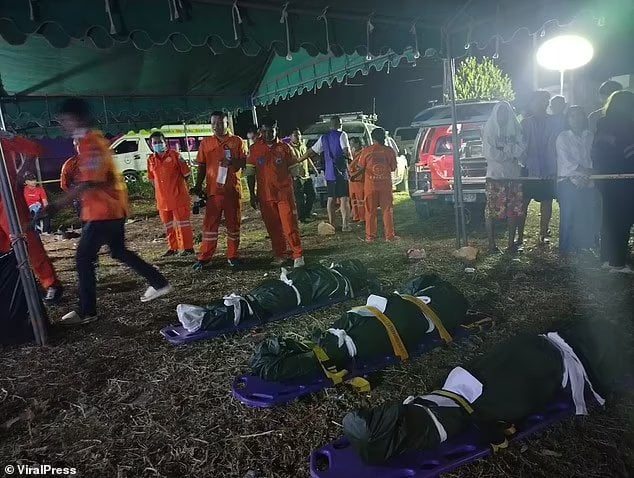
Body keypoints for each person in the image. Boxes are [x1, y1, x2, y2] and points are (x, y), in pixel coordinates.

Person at [42, 98, 171, 325]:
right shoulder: (88, 141)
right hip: (108, 210)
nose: (63, 124)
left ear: (78, 117)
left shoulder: (91, 143)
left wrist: (57, 205)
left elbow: (89, 182)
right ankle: (159, 282)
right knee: (118, 251)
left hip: (102, 212)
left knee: (83, 258)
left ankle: (87, 311)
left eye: (66, 119)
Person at [0, 131, 62, 303]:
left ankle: (51, 283)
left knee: (28, 243)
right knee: (4, 251)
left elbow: (35, 149)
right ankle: (17, 287)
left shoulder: (3, 139)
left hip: (8, 200)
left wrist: (21, 173)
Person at [191, 111, 247, 270]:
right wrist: (198, 186)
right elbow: (201, 166)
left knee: (233, 225)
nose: (216, 126)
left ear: (227, 123)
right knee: (210, 226)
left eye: (220, 123)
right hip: (213, 192)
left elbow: (244, 161)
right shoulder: (206, 143)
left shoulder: (237, 141)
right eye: (213, 123)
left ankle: (233, 256)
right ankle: (204, 257)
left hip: (232, 191)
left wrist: (232, 161)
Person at [246, 117, 305, 267]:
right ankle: (280, 254)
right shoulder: (254, 149)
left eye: (271, 131)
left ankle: (298, 255)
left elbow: (294, 171)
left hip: (284, 194)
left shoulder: (285, 148)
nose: (268, 134)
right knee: (273, 227)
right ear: (260, 131)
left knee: (290, 225)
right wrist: (252, 194)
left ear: (276, 130)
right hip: (265, 196)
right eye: (264, 131)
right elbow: (250, 174)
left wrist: (298, 187)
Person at [591, 90, 634, 273]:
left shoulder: (603, 123)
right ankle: (617, 263)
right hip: (625, 178)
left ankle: (607, 259)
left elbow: (596, 151)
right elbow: (629, 150)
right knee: (622, 220)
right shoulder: (627, 124)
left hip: (605, 178)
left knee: (609, 219)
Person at [483, 101, 526, 253]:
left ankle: (510, 244)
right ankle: (491, 244)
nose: (503, 115)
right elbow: (490, 153)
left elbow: (521, 149)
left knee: (513, 211)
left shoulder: (516, 129)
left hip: (513, 177)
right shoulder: (489, 130)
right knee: (491, 211)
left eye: (505, 112)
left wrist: (504, 150)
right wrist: (509, 153)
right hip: (495, 177)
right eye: (500, 112)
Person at [556, 106, 598, 257]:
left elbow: (594, 158)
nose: (576, 119)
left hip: (588, 181)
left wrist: (587, 176)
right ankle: (566, 248)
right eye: (572, 116)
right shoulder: (563, 137)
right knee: (568, 215)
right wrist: (584, 172)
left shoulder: (590, 136)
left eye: (579, 115)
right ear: (567, 119)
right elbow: (566, 161)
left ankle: (585, 246)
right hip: (568, 181)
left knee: (586, 214)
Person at [300, 116, 352, 231]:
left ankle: (332, 224)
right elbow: (346, 151)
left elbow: (311, 152)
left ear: (330, 125)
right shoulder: (342, 134)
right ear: (339, 124)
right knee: (344, 198)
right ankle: (345, 225)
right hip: (341, 171)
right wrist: (351, 160)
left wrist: (298, 160)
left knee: (331, 198)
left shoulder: (324, 138)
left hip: (329, 173)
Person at [518, 90, 556, 246]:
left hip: (549, 166)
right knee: (523, 202)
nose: (541, 104)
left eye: (544, 101)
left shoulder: (553, 121)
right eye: (537, 101)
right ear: (532, 104)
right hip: (529, 167)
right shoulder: (525, 123)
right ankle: (519, 236)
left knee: (547, 201)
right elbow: (520, 145)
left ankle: (543, 233)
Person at [147, 131, 194, 257]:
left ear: (165, 143)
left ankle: (188, 248)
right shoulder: (151, 160)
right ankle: (173, 248)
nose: (158, 144)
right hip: (163, 200)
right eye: (155, 143)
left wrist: (178, 186)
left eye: (160, 142)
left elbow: (187, 174)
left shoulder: (175, 156)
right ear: (151, 145)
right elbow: (152, 178)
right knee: (168, 225)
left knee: (182, 224)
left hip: (178, 197)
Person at [357, 128, 398, 242]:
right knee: (387, 210)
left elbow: (360, 167)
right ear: (384, 137)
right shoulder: (389, 151)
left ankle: (370, 237)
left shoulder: (366, 151)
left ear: (372, 137)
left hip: (370, 186)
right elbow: (393, 167)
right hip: (385, 185)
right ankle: (389, 236)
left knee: (370, 211)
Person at [288, 128, 316, 223]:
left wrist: (313, 168)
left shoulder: (303, 145)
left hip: (306, 175)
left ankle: (307, 213)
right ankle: (302, 218)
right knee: (300, 199)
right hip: (297, 176)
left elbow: (307, 157)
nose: (298, 137)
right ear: (290, 137)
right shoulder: (288, 148)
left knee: (312, 195)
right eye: (296, 135)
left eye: (299, 135)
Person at [60, 139, 82, 218]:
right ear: (76, 147)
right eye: (79, 144)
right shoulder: (69, 164)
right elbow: (64, 184)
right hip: (81, 201)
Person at [348, 136, 365, 223]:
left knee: (360, 199)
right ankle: (356, 216)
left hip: (359, 179)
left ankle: (362, 217)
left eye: (352, 144)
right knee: (353, 199)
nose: (351, 146)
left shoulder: (363, 153)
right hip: (352, 180)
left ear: (357, 144)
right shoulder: (353, 153)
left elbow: (362, 167)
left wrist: (354, 175)